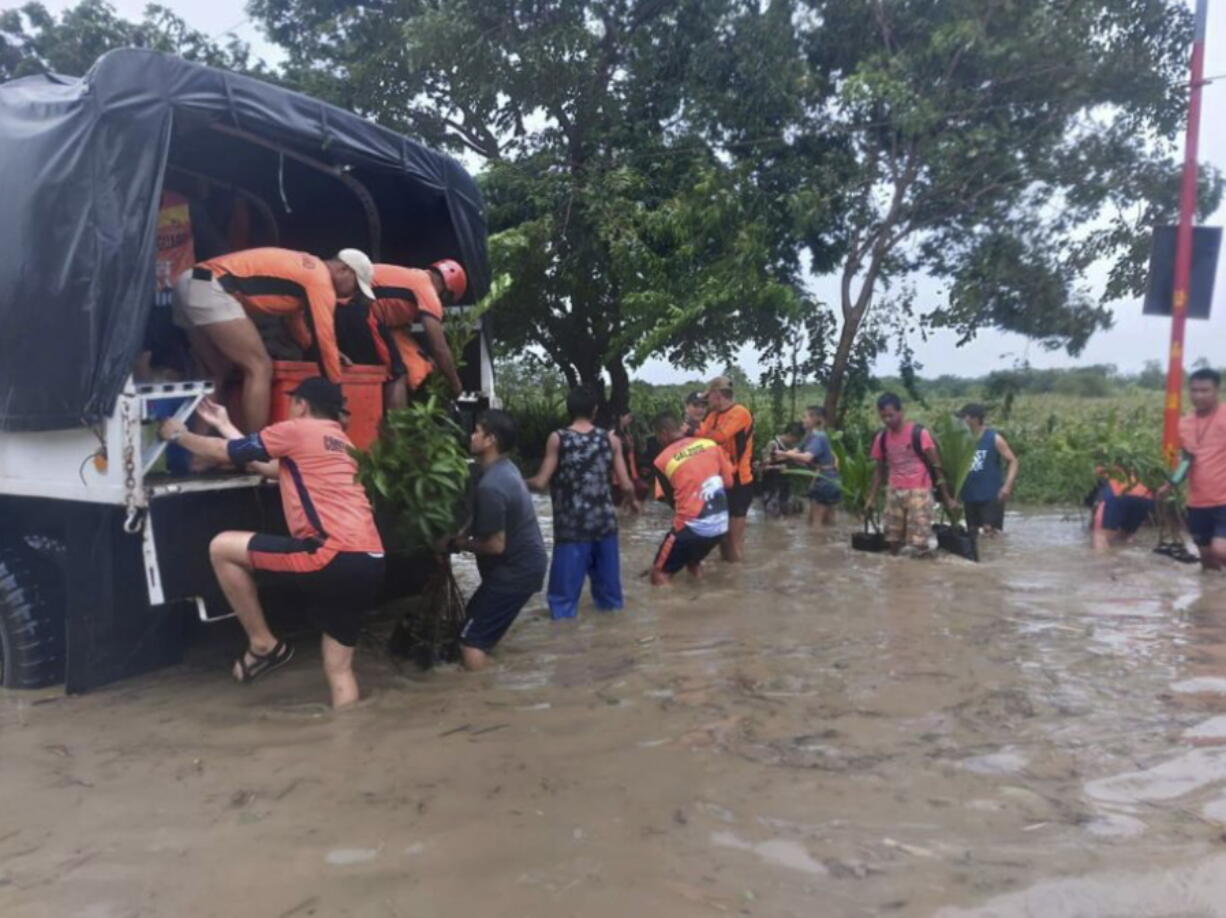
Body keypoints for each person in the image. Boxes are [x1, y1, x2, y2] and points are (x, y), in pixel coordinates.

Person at [157, 378, 385, 708]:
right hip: (370, 559)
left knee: (221, 547)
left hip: (329, 554)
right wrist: (224, 423)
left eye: (293, 402)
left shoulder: (297, 430)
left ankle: (263, 643)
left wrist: (179, 435)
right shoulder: (341, 444)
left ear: (302, 405)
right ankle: (349, 735)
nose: (290, 408)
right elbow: (269, 466)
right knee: (339, 670)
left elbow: (228, 453)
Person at [173, 247, 375, 431]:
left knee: (215, 372)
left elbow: (295, 324)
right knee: (259, 367)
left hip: (192, 279)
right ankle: (254, 452)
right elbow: (325, 337)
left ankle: (198, 459)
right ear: (344, 270)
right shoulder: (320, 280)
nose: (352, 295)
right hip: (212, 285)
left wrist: (322, 351)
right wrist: (336, 397)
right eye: (356, 287)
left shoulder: (306, 270)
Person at [527, 389, 638, 620]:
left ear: (569, 410)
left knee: (563, 602)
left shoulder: (558, 438)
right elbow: (627, 485)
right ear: (595, 411)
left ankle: (567, 648)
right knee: (611, 600)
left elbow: (540, 483)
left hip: (571, 528)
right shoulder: (610, 440)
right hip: (605, 525)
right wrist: (632, 503)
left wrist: (512, 480)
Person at [453, 410, 548, 670]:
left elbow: (495, 545)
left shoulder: (492, 486)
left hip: (516, 571)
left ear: (490, 440)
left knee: (470, 641)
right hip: (523, 566)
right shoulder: (505, 467)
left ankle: (480, 703)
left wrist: (458, 544)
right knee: (473, 619)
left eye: (477, 431)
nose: (471, 436)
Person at [865, 393, 957, 555]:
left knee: (918, 543)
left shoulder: (919, 434)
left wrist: (947, 498)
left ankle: (918, 576)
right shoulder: (882, 437)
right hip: (894, 492)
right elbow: (879, 470)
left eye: (891, 415)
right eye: (883, 416)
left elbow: (937, 467)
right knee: (892, 540)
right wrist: (871, 498)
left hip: (919, 492)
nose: (887, 420)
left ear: (901, 412)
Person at [650, 412, 734, 586]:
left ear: (663, 433)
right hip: (721, 526)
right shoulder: (710, 444)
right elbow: (729, 483)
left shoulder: (661, 460)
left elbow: (672, 501)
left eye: (657, 436)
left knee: (658, 575)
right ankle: (698, 597)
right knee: (693, 561)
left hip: (692, 528)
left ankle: (675, 612)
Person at [369, 260, 468, 405]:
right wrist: (456, 385)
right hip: (360, 310)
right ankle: (397, 424)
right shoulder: (427, 290)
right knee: (397, 373)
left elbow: (399, 333)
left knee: (400, 359)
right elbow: (439, 348)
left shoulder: (412, 277)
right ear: (446, 293)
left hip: (355, 305)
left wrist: (425, 361)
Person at [1161, 368, 1226, 569]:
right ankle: (1211, 598)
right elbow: (1187, 460)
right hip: (1197, 502)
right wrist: (1171, 483)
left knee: (1220, 550)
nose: (1199, 395)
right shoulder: (1184, 423)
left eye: (1205, 390)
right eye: (1194, 390)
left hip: (1224, 500)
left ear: (1217, 390)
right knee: (1207, 558)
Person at [697, 376, 755, 561]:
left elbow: (720, 436)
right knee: (721, 536)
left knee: (732, 541)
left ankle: (735, 583)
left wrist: (694, 430)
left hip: (740, 480)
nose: (706, 403)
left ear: (717, 395)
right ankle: (728, 580)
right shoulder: (712, 415)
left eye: (709, 398)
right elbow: (701, 437)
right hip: (720, 479)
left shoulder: (740, 413)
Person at [957, 403, 1020, 536]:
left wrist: (1007, 486)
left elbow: (1013, 461)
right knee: (972, 532)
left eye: (964, 417)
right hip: (969, 494)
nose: (961, 421)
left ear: (974, 419)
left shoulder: (993, 438)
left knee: (990, 531)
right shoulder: (961, 439)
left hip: (990, 494)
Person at [778, 405, 841, 526]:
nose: (803, 420)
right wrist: (781, 454)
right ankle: (832, 543)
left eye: (805, 417)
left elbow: (807, 457)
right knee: (828, 522)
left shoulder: (818, 437)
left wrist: (783, 454)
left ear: (815, 419)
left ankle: (817, 545)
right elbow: (795, 451)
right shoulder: (810, 436)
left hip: (824, 481)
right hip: (830, 480)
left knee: (815, 524)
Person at [1090, 468, 1155, 549]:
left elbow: (1094, 472)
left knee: (1100, 535)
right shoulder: (1152, 463)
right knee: (1125, 536)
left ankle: (1103, 560)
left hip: (1119, 495)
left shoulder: (1110, 461)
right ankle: (1125, 561)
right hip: (1146, 499)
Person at [760, 422, 804, 517]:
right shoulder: (773, 444)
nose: (795, 442)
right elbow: (763, 467)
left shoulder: (791, 447)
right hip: (771, 486)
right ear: (789, 435)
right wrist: (777, 467)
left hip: (785, 486)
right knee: (772, 515)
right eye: (795, 439)